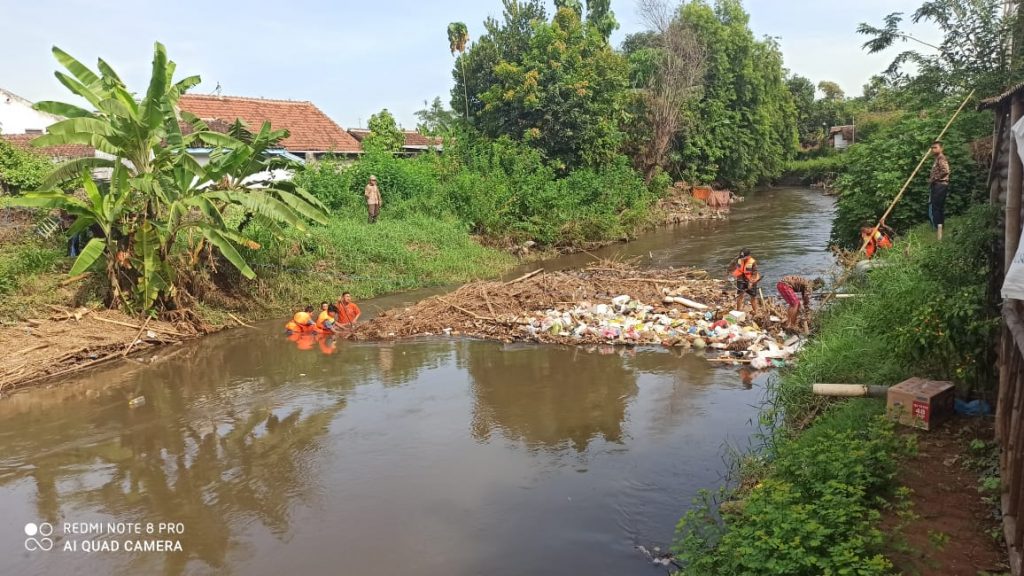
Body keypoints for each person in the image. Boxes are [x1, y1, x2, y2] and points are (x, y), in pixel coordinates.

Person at [929, 140, 950, 241]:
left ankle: (938, 228)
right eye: (932, 148)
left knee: (936, 207)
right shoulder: (937, 158)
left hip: (940, 185)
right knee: (939, 207)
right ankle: (940, 227)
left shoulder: (941, 158)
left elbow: (945, 171)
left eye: (935, 147)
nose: (933, 149)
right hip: (939, 185)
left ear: (941, 148)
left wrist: (934, 178)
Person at [730, 248, 761, 315]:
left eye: (744, 257)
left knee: (753, 296)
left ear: (749, 256)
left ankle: (756, 312)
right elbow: (736, 268)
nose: (742, 258)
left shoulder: (753, 262)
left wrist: (750, 282)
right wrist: (733, 276)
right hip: (741, 279)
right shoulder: (739, 259)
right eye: (742, 257)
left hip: (750, 280)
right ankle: (737, 311)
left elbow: (754, 273)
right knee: (740, 295)